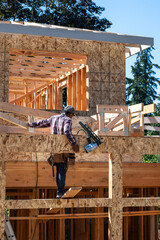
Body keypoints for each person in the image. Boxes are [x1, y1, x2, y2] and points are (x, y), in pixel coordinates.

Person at [28, 105, 79, 198]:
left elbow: (42, 123)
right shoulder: (68, 120)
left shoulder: (53, 118)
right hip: (63, 149)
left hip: (54, 148)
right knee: (62, 169)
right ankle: (60, 192)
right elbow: (67, 131)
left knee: (59, 169)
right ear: (70, 114)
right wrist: (74, 143)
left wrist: (32, 124)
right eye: (72, 115)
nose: (72, 117)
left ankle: (59, 192)